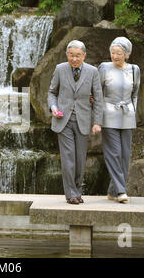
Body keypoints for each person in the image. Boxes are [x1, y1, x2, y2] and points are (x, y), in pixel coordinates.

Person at [48, 40, 103, 204]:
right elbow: (52, 92)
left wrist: (97, 122)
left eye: (78, 55)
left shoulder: (93, 72)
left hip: (83, 120)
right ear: (67, 55)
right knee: (68, 159)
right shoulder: (60, 69)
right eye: (71, 55)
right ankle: (71, 194)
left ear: (84, 56)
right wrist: (53, 107)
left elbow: (98, 99)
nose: (74, 59)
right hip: (63, 120)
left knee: (80, 160)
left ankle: (77, 192)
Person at [98, 37, 140, 203]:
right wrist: (98, 115)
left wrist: (133, 111)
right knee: (114, 153)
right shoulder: (104, 67)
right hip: (108, 114)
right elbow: (98, 91)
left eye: (119, 53)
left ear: (127, 54)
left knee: (124, 154)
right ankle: (121, 191)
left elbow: (135, 94)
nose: (115, 56)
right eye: (112, 52)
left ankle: (112, 191)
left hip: (127, 116)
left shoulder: (135, 69)